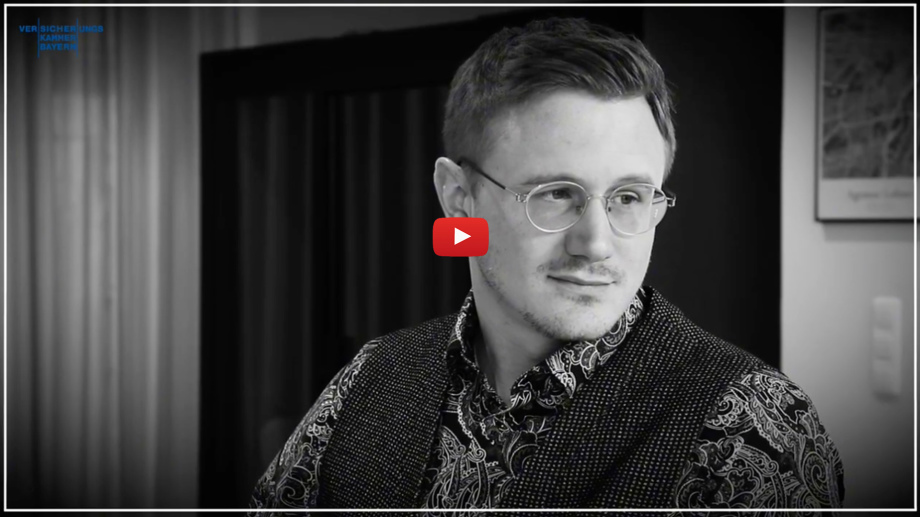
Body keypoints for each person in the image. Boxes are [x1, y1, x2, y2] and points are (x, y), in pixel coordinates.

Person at [249, 17, 844, 511]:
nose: (596, 244)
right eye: (556, 194)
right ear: (458, 197)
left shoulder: (754, 432)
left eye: (629, 197)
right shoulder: (373, 377)